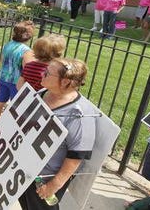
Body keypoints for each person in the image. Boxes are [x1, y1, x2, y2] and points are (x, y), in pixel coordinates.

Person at [18, 58, 96, 210]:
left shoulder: (80, 115)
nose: (42, 73)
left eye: (47, 73)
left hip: (45, 177)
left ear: (65, 81)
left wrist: (54, 185)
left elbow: (77, 156)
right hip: (26, 168)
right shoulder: (43, 93)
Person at [0, 21, 35, 124]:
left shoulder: (8, 45)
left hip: (3, 78)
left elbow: (2, 59)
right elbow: (27, 69)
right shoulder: (26, 50)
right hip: (16, 82)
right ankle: (9, 127)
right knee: (15, 107)